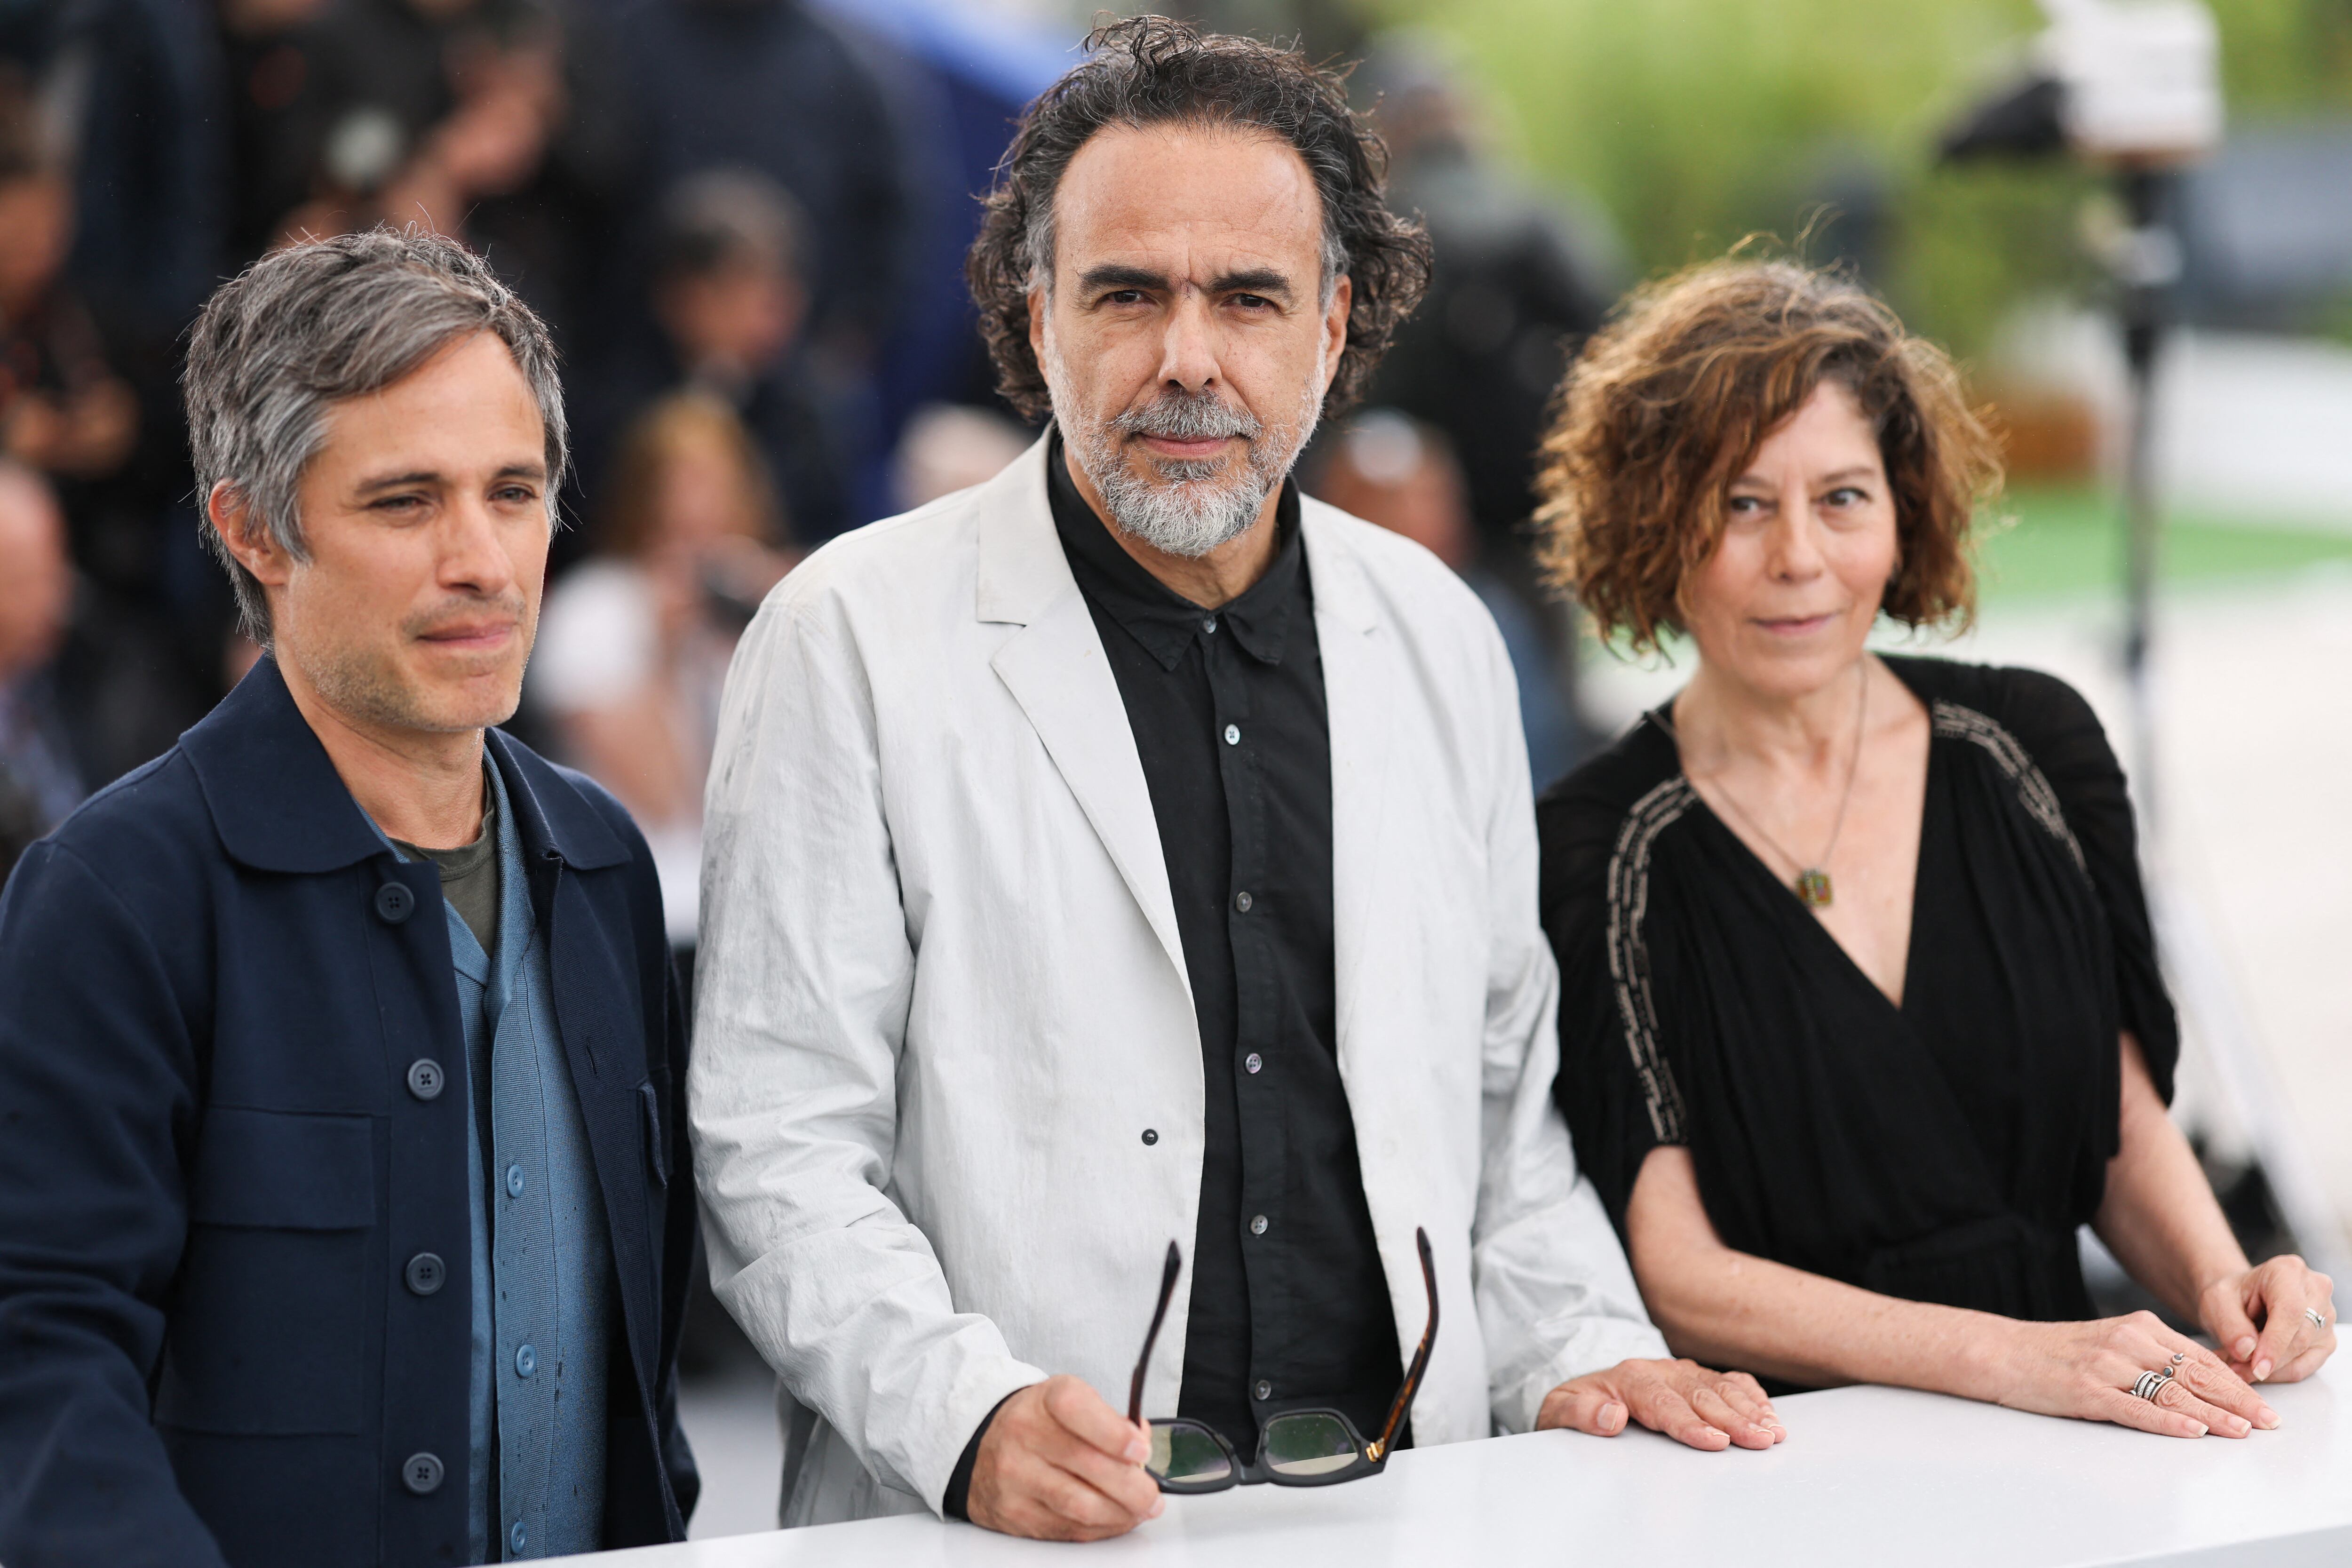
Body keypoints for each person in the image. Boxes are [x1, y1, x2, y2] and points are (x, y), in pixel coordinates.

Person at [691, 18, 1780, 1546]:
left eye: (1248, 298)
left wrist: (1582, 1351)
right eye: (1126, 293)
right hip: (1022, 1516)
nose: (1187, 358)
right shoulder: (848, 637)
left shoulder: (1438, 636)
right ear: (1038, 312)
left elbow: (1504, 1120)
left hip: (1405, 1500)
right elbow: (778, 1147)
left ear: (1332, 327)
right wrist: (966, 1415)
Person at [1532, 258, 2338, 1443]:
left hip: (2081, 1432)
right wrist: (2012, 1360)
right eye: (1742, 503)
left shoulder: (2031, 744)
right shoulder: (1602, 845)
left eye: (1843, 497)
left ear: (1905, 508)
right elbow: (1678, 1271)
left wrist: (2226, 1288)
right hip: (1783, 1466)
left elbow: (2114, 1120)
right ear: (1657, 522)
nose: (1799, 555)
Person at [0, 228, 698, 1568]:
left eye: (514, 490)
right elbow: (40, 1360)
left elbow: (638, 1389)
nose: (484, 559)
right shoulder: (116, 894)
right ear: (253, 528)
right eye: (404, 501)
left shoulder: (604, 863)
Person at [531, 389, 793, 950]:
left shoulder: (764, 605)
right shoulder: (593, 610)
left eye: (717, 484)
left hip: (761, 915)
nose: (698, 512)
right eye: (681, 485)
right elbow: (656, 793)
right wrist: (667, 649)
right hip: (645, 913)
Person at [1307, 407, 1579, 790]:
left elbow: (1537, 764)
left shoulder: (1488, 618)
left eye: (1425, 498)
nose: (1407, 517)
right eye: (1383, 502)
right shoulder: (1297, 614)